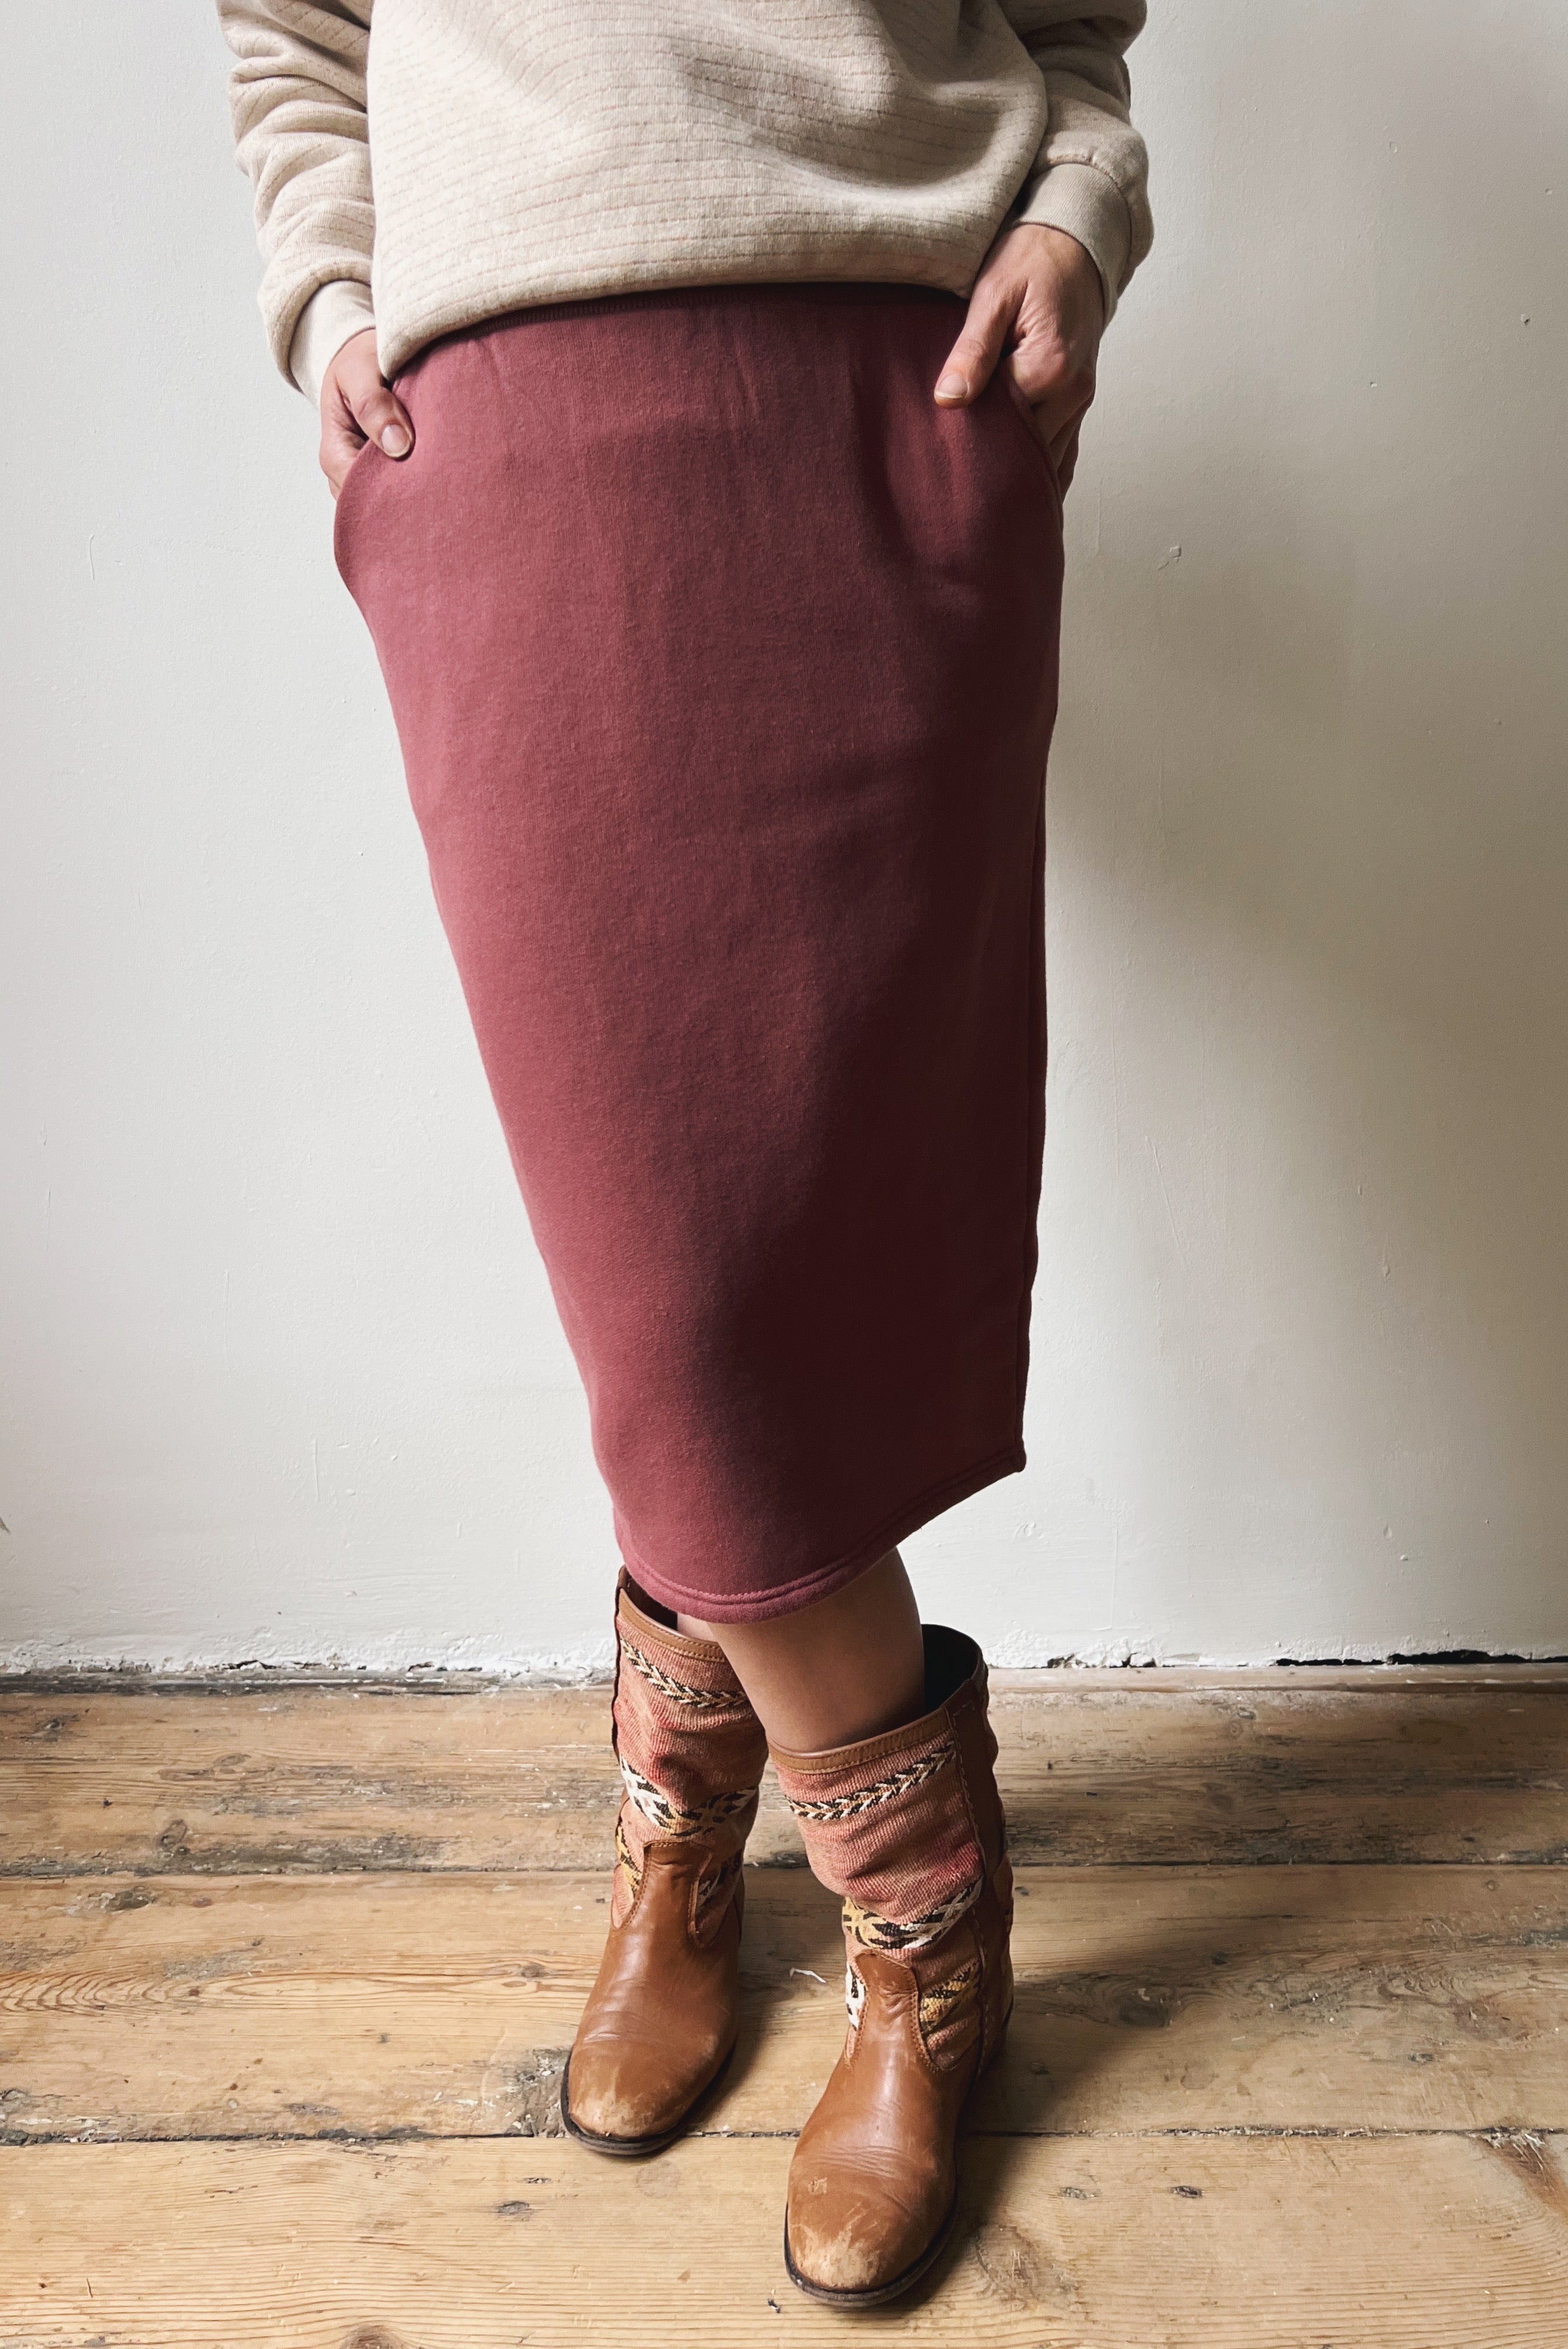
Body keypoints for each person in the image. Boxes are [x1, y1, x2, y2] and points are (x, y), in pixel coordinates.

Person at [218, 0, 1150, 2306]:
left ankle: (690, 1832)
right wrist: (327, 297)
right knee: (663, 1264)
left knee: (796, 1220)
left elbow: (1076, 33)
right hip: (513, 418)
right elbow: (289, 32)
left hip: (894, 395)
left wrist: (1073, 217)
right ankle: (922, 1914)